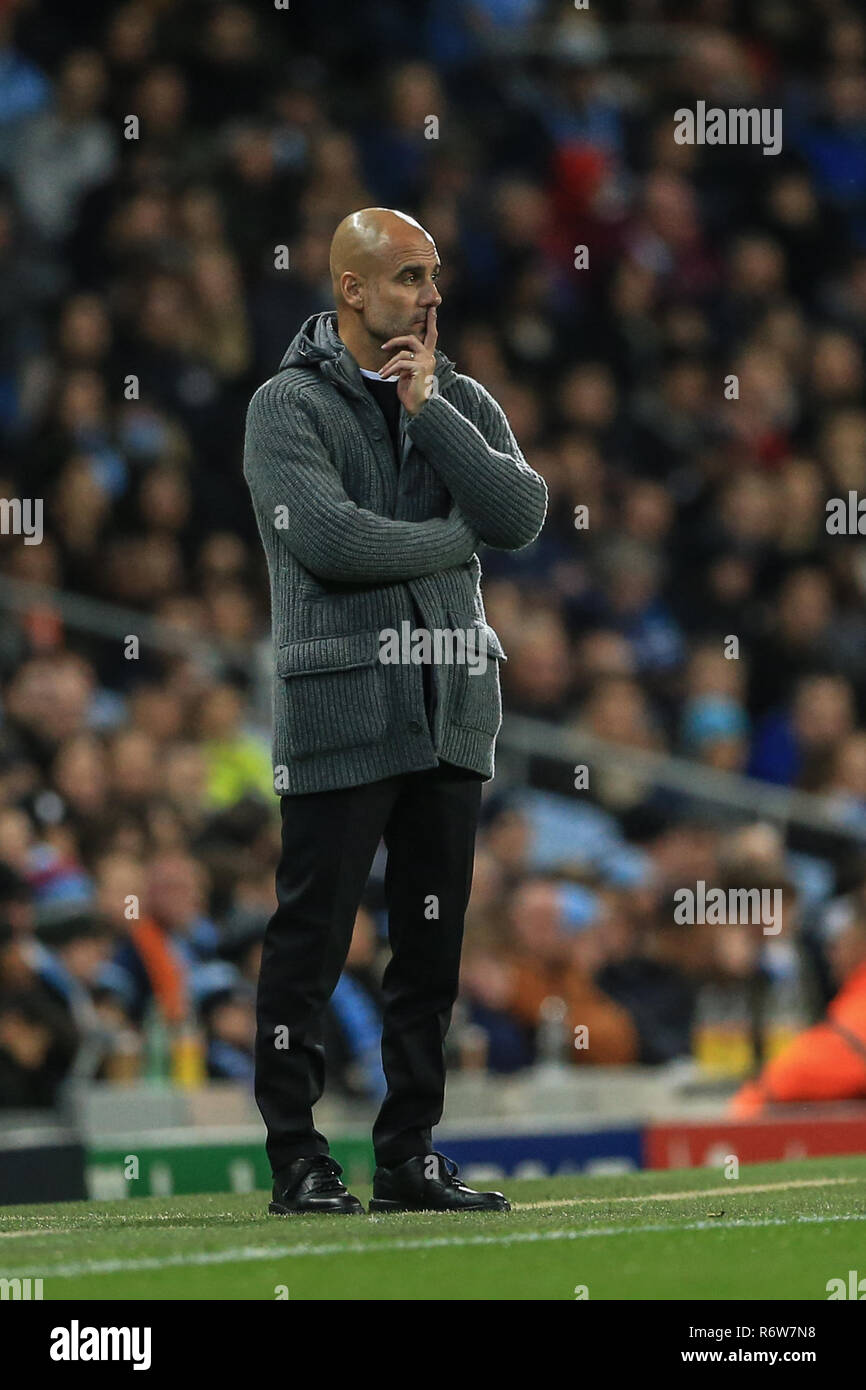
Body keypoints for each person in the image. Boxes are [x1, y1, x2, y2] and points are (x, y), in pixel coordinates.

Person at [243, 207, 547, 1213]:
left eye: (434, 276)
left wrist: (430, 412)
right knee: (312, 945)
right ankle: (295, 1154)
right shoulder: (284, 407)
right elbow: (332, 542)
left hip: (450, 704)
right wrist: (454, 542)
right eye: (408, 277)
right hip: (341, 713)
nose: (429, 294)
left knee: (428, 950)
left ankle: (409, 1153)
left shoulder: (454, 394)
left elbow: (520, 515)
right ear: (351, 290)